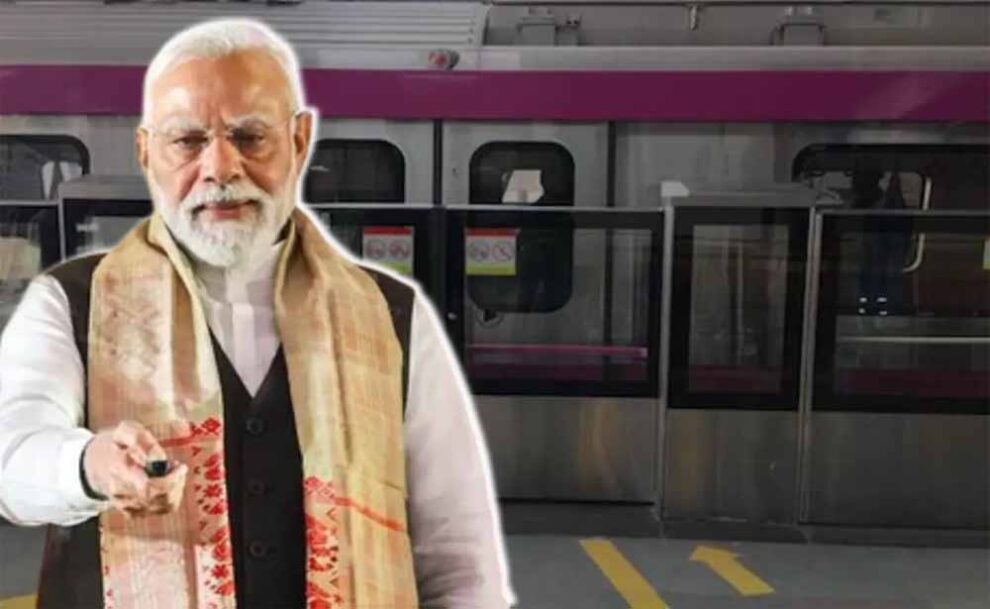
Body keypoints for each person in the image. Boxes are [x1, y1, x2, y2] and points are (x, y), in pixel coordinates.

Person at [0, 18, 514, 609]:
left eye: (249, 136)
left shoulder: (392, 316)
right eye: (188, 140)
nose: (221, 168)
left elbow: (459, 555)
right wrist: (87, 465)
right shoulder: (70, 301)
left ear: (299, 140)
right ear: (146, 152)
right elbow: (13, 461)